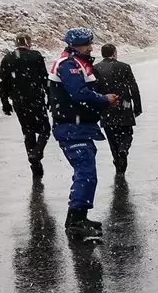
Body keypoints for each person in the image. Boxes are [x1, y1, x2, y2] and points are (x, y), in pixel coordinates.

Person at [48, 28, 118, 236]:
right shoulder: (68, 65)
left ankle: (80, 217)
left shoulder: (75, 63)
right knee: (85, 173)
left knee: (87, 173)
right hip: (71, 127)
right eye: (86, 44)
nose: (90, 48)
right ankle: (75, 221)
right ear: (74, 46)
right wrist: (104, 100)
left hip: (79, 126)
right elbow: (79, 94)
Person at [0, 34, 51, 179]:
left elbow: (4, 82)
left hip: (18, 100)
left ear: (16, 43)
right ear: (29, 43)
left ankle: (34, 164)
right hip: (36, 98)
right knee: (45, 129)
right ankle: (37, 152)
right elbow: (44, 78)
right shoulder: (36, 56)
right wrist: (50, 96)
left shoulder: (8, 58)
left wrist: (5, 102)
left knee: (28, 132)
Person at [93, 43, 142, 174]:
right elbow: (134, 88)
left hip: (106, 106)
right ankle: (123, 149)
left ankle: (117, 161)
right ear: (114, 53)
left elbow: (94, 90)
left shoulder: (96, 68)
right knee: (127, 133)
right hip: (123, 105)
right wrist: (137, 107)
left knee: (111, 136)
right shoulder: (124, 67)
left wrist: (96, 108)